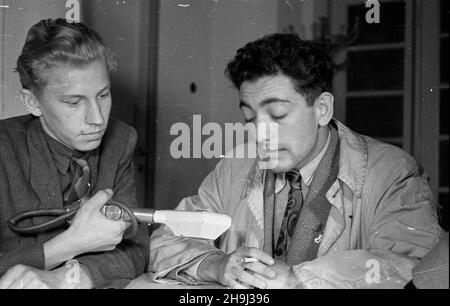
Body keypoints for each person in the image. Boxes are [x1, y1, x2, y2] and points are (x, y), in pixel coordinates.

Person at [148, 33, 443, 288]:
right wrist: (215, 265)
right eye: (249, 117)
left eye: (276, 116)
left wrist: (298, 280)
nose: (259, 134)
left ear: (323, 109)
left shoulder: (393, 173)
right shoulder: (234, 166)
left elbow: (419, 267)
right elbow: (167, 237)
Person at [0, 18, 148, 289]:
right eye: (74, 102)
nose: (97, 118)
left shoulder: (120, 140)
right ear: (32, 101)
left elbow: (136, 250)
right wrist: (69, 245)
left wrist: (66, 279)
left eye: (103, 96)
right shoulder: (4, 150)